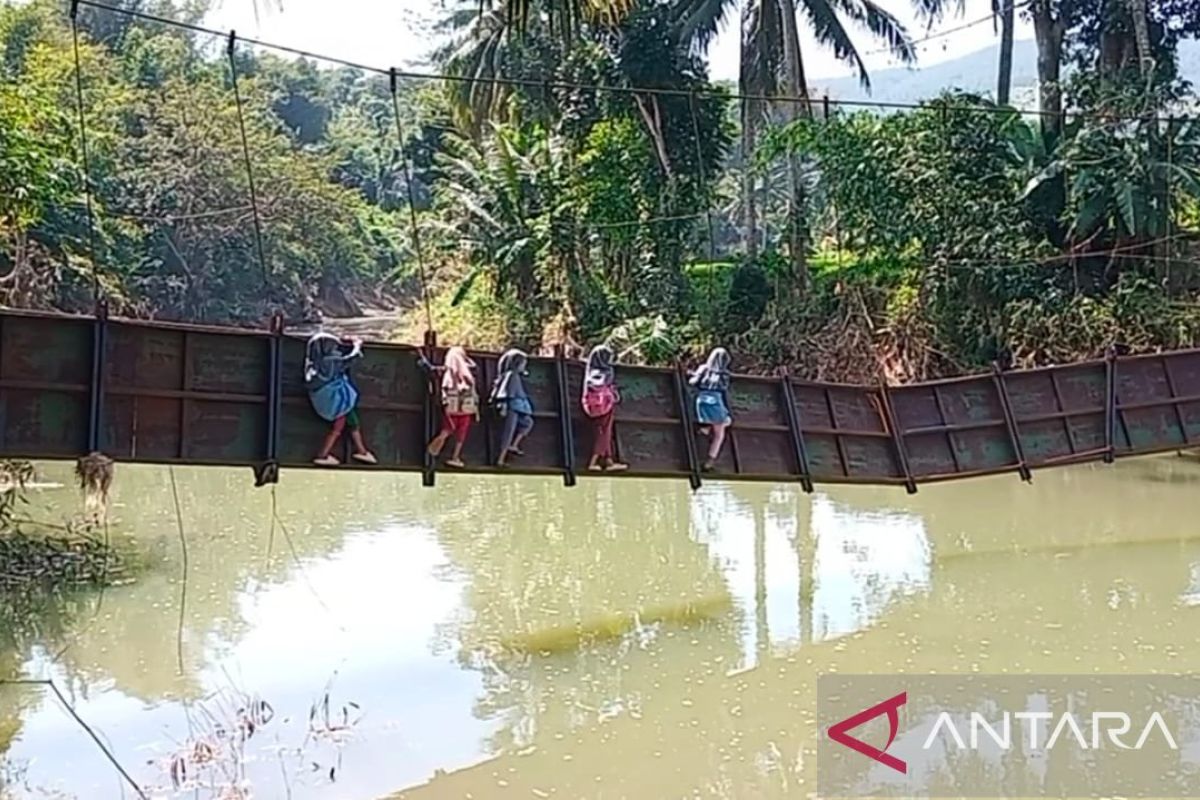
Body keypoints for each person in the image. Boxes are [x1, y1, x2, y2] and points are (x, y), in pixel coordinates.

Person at [304, 332, 377, 466]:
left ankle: (361, 451)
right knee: (343, 424)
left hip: (325, 398)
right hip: (335, 399)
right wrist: (357, 345)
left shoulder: (314, 363)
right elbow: (351, 359)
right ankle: (324, 455)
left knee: (347, 423)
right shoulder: (329, 362)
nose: (335, 349)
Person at [427, 346, 478, 468]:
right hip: (466, 408)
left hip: (452, 406)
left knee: (448, 428)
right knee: (462, 432)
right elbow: (473, 369)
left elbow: (444, 388)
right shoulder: (466, 371)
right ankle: (455, 457)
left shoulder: (448, 373)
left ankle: (439, 441)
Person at [581, 344, 628, 472]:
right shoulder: (605, 372)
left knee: (605, 431)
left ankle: (609, 461)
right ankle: (593, 462)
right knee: (604, 433)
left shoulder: (590, 370)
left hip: (592, 406)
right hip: (604, 406)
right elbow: (603, 385)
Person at [689, 346, 733, 472]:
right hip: (715, 401)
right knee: (721, 431)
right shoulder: (724, 374)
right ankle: (710, 461)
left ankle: (705, 429)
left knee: (712, 423)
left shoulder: (703, 368)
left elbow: (693, 382)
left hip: (701, 401)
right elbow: (724, 390)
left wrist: (693, 374)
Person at [490, 348, 534, 466]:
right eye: (523, 363)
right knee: (508, 431)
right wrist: (504, 406)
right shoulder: (511, 375)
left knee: (528, 422)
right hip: (511, 407)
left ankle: (513, 445)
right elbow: (507, 393)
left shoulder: (515, 375)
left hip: (517, 407)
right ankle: (500, 459)